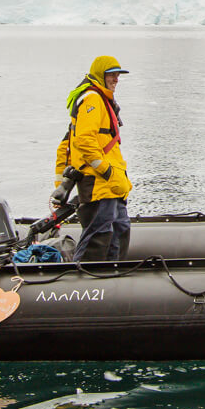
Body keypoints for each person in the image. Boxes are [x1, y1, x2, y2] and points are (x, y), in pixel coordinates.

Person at [53, 55, 133, 262]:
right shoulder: (93, 99)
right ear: (100, 75)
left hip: (113, 183)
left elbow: (67, 144)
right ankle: (84, 280)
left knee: (119, 229)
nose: (116, 79)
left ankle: (114, 275)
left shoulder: (103, 100)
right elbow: (84, 141)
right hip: (98, 182)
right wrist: (106, 170)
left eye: (117, 75)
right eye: (111, 75)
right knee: (98, 235)